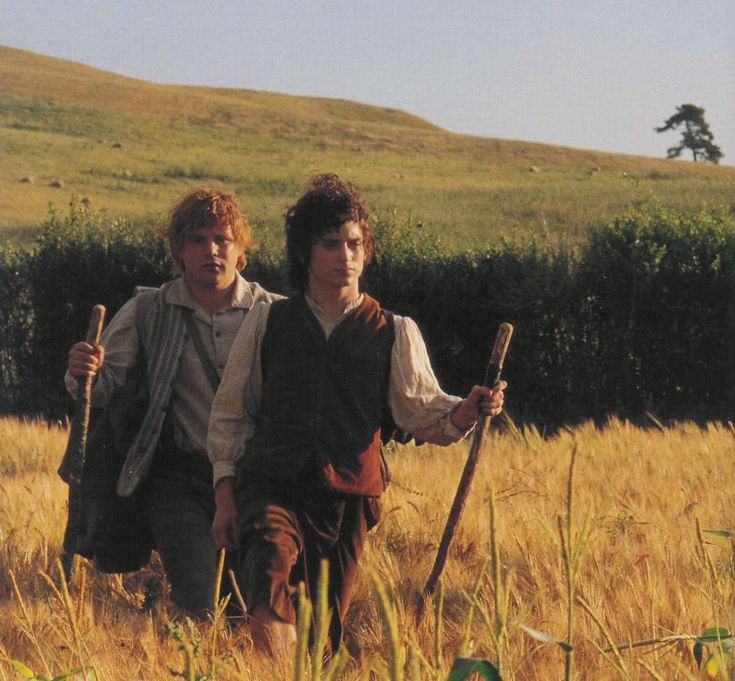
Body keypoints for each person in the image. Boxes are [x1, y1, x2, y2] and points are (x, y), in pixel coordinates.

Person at [207, 174, 506, 656]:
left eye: (354, 244)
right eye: (331, 244)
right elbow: (230, 415)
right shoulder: (268, 321)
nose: (345, 256)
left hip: (347, 500)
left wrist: (467, 409)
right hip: (272, 484)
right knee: (268, 586)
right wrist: (225, 496)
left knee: (323, 633)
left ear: (366, 251)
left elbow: (420, 410)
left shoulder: (393, 330)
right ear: (305, 253)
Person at [64, 185, 281, 616]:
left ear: (241, 251)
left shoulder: (273, 313)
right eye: (197, 240)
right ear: (179, 251)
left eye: (222, 239)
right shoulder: (149, 309)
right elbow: (101, 387)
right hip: (179, 479)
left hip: (254, 478)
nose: (211, 250)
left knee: (247, 604)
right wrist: (82, 370)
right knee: (200, 599)